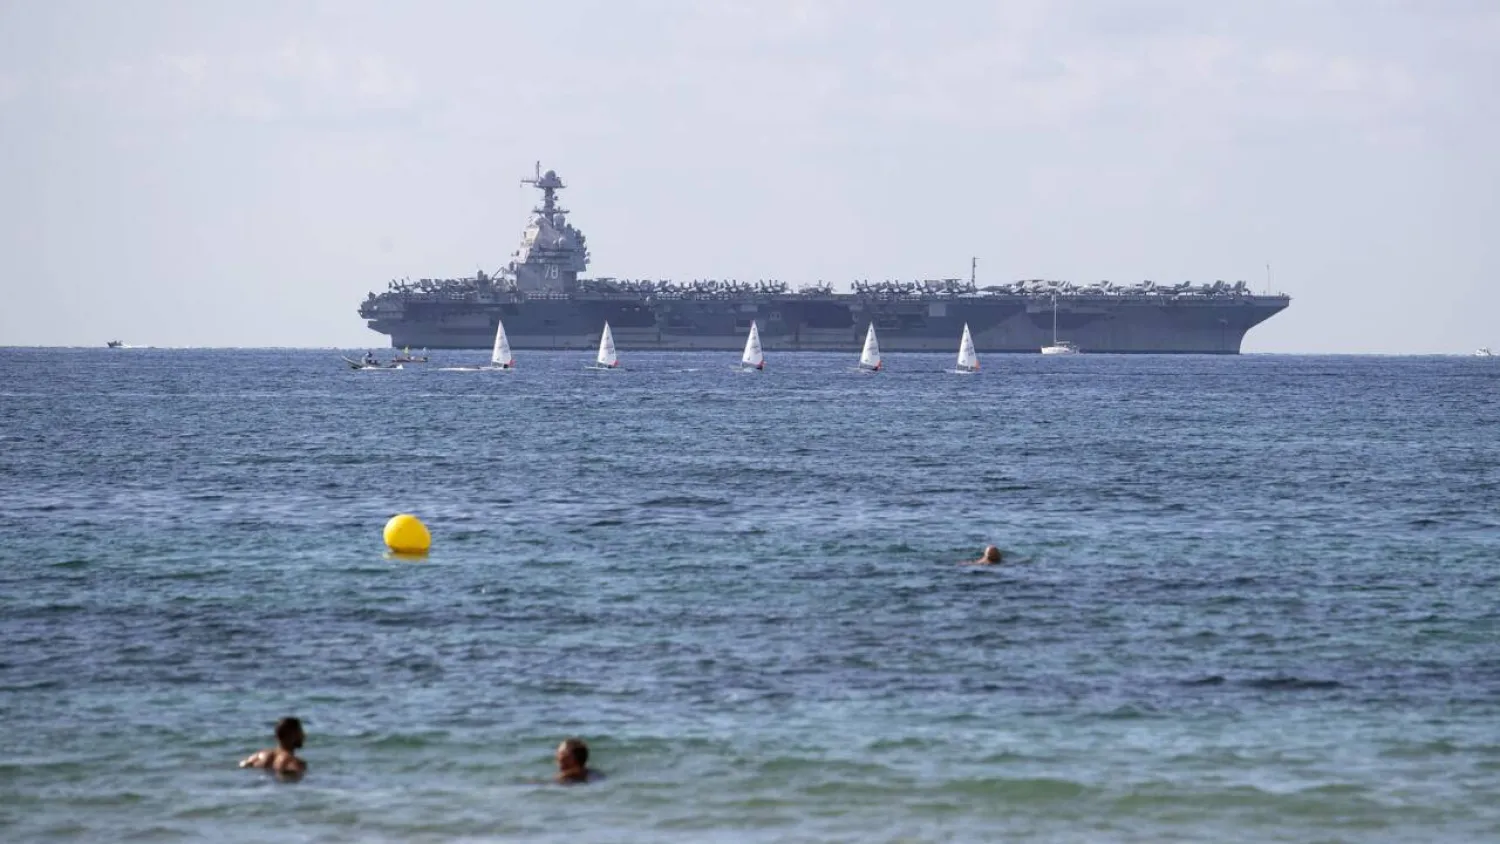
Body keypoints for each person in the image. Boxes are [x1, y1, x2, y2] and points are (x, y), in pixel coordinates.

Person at [240, 717, 307, 777]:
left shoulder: (260, 755)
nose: (304, 736)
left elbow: (242, 765)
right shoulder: (294, 762)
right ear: (292, 735)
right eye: (300, 732)